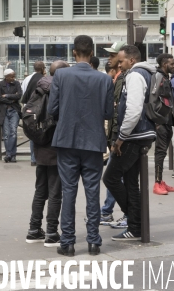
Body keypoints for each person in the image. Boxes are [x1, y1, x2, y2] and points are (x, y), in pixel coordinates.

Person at [48, 35, 113, 257]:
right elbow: (108, 113)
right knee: (93, 192)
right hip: (93, 141)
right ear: (92, 53)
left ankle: (67, 242)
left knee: (69, 191)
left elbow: (52, 109)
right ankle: (94, 241)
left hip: (67, 139)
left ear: (74, 52)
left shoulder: (61, 75)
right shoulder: (104, 79)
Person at [104, 45, 156, 242]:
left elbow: (133, 110)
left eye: (122, 60)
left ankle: (136, 221)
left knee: (110, 178)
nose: (119, 63)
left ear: (131, 60)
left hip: (134, 136)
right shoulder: (148, 73)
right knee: (132, 183)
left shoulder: (135, 75)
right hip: (143, 133)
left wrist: (121, 138)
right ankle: (136, 227)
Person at [26, 61, 66, 247]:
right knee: (55, 192)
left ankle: (34, 230)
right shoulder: (61, 89)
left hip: (39, 144)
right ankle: (51, 232)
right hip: (56, 145)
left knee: (40, 190)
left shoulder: (39, 86)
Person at [101, 41, 127, 227]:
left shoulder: (123, 78)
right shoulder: (118, 77)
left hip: (121, 138)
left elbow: (120, 112)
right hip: (117, 136)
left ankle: (126, 213)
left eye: (112, 55)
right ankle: (108, 211)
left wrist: (117, 139)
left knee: (115, 176)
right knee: (115, 176)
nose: (109, 58)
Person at [152, 53, 174, 196]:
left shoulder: (166, 77)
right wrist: (156, 121)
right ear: (164, 64)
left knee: (163, 151)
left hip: (167, 120)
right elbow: (153, 98)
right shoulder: (159, 77)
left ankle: (160, 181)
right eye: (171, 64)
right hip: (161, 120)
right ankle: (157, 182)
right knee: (160, 152)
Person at [22, 61, 46, 167]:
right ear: (42, 69)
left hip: (29, 110)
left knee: (32, 134)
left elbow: (24, 93)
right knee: (41, 133)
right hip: (41, 110)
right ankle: (39, 157)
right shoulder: (44, 79)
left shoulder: (28, 79)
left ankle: (33, 158)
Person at [0, 69, 22, 163]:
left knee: (13, 133)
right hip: (4, 111)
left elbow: (19, 95)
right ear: (6, 77)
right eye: (11, 76)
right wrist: (11, 99)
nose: (13, 78)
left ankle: (11, 154)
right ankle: (9, 154)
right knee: (6, 134)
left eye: (14, 76)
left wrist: (6, 95)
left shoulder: (17, 84)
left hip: (14, 110)